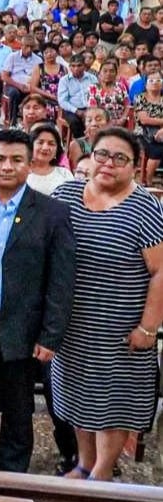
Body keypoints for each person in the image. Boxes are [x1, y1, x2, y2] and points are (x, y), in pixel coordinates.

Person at [0, 128, 76, 473]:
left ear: (30, 163)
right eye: (0, 159)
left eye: (17, 159)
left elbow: (61, 281)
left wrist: (51, 336)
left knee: (19, 409)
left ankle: (12, 477)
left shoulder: (53, 213)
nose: (8, 166)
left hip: (23, 328)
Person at [51, 128, 163, 481]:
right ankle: (84, 463)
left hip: (121, 329)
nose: (108, 164)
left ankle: (101, 473)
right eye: (101, 154)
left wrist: (148, 327)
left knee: (112, 403)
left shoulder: (144, 206)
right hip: (72, 325)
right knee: (77, 397)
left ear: (135, 165)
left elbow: (161, 271)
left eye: (120, 158)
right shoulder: (66, 194)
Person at [26, 123, 73, 194]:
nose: (45, 148)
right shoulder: (22, 171)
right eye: (40, 142)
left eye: (51, 144)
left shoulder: (64, 174)